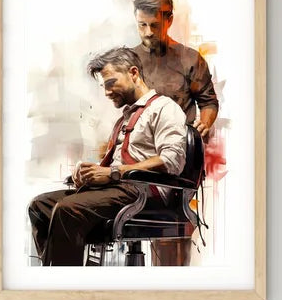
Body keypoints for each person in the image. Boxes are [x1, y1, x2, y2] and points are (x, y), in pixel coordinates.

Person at [28, 47, 186, 267]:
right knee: (40, 205)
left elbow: (172, 161)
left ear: (133, 73)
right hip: (119, 189)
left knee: (68, 209)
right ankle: (55, 276)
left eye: (111, 83)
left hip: (144, 194)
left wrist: (111, 173)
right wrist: (88, 175)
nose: (106, 92)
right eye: (103, 86)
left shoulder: (165, 108)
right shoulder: (124, 119)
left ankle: (64, 290)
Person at [132, 0, 218, 141]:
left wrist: (204, 123)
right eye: (142, 25)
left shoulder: (190, 59)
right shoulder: (127, 60)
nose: (148, 32)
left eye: (154, 25)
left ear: (169, 20)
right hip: (137, 151)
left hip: (179, 149)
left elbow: (209, 102)